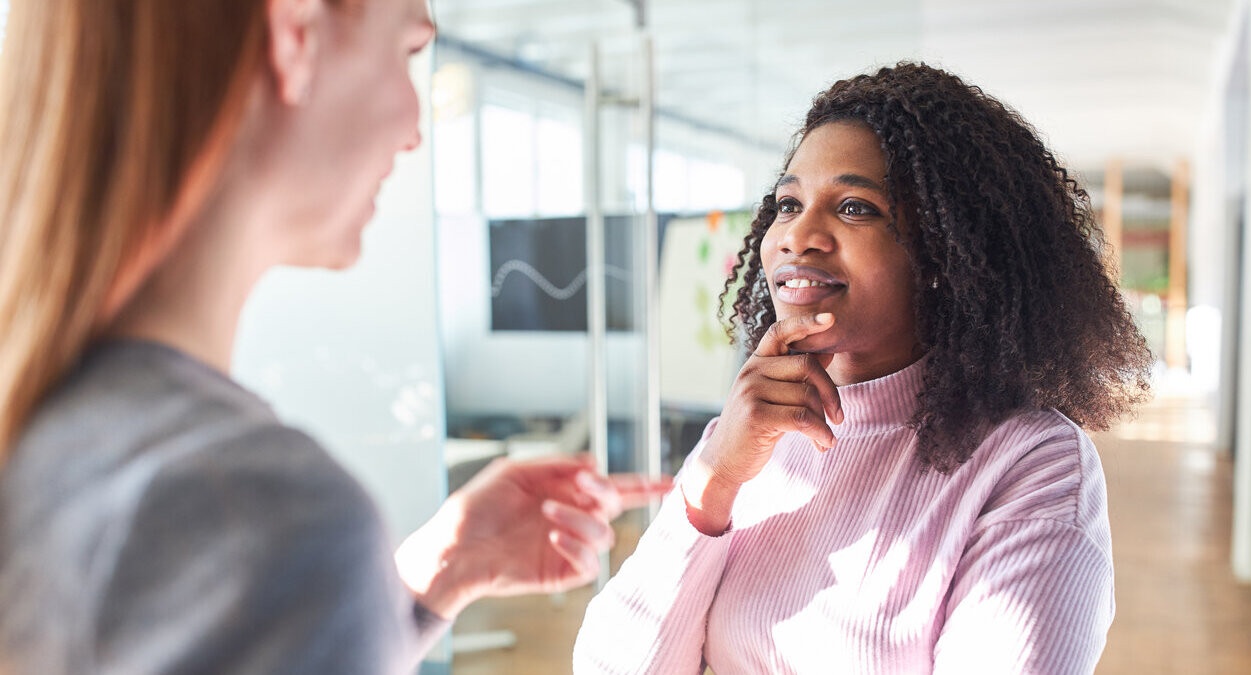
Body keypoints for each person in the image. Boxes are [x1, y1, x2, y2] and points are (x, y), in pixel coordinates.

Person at [0, 1, 669, 673]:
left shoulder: (61, 441)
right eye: (408, 52)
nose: (414, 131)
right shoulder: (258, 516)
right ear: (297, 34)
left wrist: (427, 582)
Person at [574, 62, 1152, 674]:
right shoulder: (753, 433)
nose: (799, 235)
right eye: (789, 203)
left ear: (945, 250)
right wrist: (714, 480)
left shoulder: (1032, 463)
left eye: (854, 208)